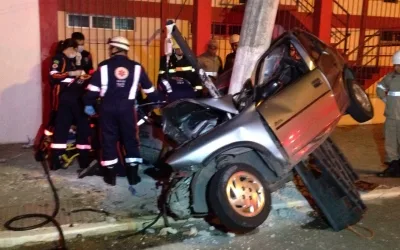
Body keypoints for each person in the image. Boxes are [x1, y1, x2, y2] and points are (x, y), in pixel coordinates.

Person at [83, 36, 161, 186]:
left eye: (110, 48)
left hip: (107, 109)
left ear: (114, 48)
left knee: (108, 140)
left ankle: (110, 177)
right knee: (131, 140)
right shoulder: (137, 67)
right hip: (128, 109)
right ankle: (133, 177)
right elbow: (150, 90)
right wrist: (156, 102)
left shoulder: (103, 66)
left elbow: (92, 91)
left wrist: (88, 104)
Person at [49, 38, 92, 171]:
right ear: (69, 48)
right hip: (64, 96)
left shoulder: (71, 60)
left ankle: (64, 159)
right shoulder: (59, 58)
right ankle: (59, 159)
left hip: (73, 96)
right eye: (75, 48)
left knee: (65, 126)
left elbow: (81, 75)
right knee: (66, 126)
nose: (76, 51)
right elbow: (53, 76)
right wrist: (71, 73)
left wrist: (78, 63)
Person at [376, 50, 400, 178]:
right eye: (396, 65)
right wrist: (385, 99)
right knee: (390, 142)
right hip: (391, 116)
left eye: (399, 65)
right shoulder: (390, 77)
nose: (397, 67)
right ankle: (392, 167)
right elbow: (380, 87)